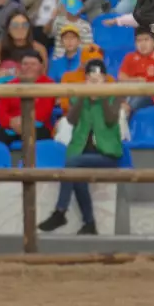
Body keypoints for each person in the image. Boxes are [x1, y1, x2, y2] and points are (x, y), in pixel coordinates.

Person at [38, 59, 122, 236]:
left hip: (106, 155)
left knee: (72, 164)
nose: (94, 83)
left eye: (98, 79)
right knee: (77, 175)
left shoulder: (115, 95)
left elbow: (111, 119)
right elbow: (71, 120)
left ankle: (61, 211)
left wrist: (102, 95)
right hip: (82, 153)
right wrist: (84, 95)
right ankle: (89, 224)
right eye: (91, 79)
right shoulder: (79, 97)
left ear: (105, 80)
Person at [0, 52, 55, 144]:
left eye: (33, 64)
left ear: (41, 66)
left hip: (37, 125)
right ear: (20, 66)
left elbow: (44, 113)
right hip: (11, 126)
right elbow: (1, 112)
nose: (29, 67)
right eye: (25, 64)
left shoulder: (49, 84)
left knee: (40, 138)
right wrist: (11, 122)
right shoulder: (10, 85)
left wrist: (23, 122)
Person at [0, 9, 48, 80]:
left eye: (25, 25)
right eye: (15, 25)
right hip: (4, 88)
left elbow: (44, 77)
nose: (20, 28)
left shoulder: (39, 48)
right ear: (8, 29)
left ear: (29, 28)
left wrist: (24, 76)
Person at [118, 28, 154, 115]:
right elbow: (121, 77)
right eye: (139, 41)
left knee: (137, 98)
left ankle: (124, 111)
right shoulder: (129, 57)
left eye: (146, 40)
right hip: (129, 90)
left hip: (148, 94)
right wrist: (136, 80)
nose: (142, 44)